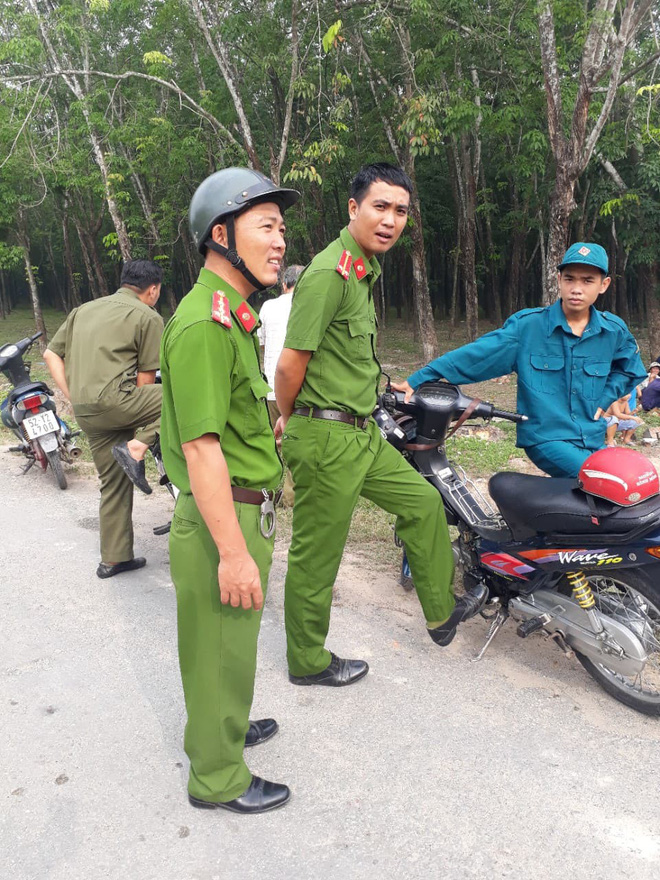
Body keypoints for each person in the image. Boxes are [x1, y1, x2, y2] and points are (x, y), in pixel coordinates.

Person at [274, 162, 488, 689]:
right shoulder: (328, 274)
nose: (390, 220)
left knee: (421, 504)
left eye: (400, 211)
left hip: (360, 431)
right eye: (380, 207)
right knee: (316, 556)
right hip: (325, 436)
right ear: (354, 208)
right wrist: (289, 419)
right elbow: (289, 365)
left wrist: (383, 388)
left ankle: (441, 614)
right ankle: (306, 659)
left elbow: (343, 355)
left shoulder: (362, 269)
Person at [159, 167, 299, 814]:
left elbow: (232, 420)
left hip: (246, 511)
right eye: (266, 227)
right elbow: (199, 448)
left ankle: (226, 724)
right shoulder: (203, 324)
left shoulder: (234, 319)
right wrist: (234, 552)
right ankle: (216, 778)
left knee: (232, 641)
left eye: (281, 228)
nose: (280, 241)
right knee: (216, 648)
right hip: (224, 522)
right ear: (221, 234)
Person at [393, 242, 647, 479]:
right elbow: (476, 355)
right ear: (558, 279)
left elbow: (629, 370)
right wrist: (419, 378)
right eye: (569, 278)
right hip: (547, 439)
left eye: (588, 280)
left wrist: (604, 400)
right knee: (607, 482)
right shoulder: (528, 327)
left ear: (603, 285)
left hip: (591, 438)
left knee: (627, 486)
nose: (577, 288)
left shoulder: (613, 331)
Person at [43, 260, 164, 578]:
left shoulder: (82, 310)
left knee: (113, 480)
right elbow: (146, 381)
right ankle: (137, 448)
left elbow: (50, 354)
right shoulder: (148, 316)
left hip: (86, 411)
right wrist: (143, 432)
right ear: (152, 289)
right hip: (120, 402)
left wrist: (72, 396)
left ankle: (114, 558)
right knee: (183, 396)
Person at [257, 263, 304, 506]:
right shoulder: (307, 306)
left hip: (272, 388)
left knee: (271, 442)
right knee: (295, 443)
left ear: (284, 284)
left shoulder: (267, 307)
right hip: (299, 387)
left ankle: (268, 492)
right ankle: (291, 497)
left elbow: (261, 344)